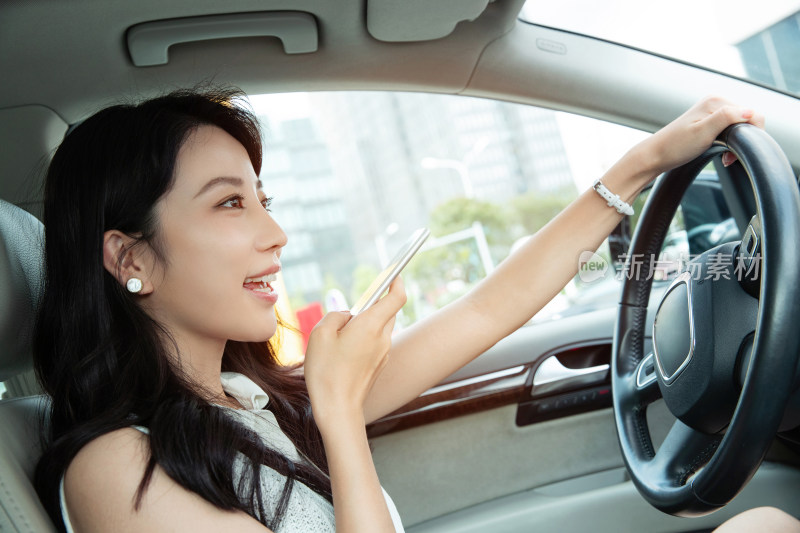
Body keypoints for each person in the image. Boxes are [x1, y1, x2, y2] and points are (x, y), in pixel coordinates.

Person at [31, 87, 788, 533]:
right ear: (130, 258)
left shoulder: (251, 402)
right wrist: (336, 409)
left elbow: (492, 307)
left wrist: (642, 163)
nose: (276, 233)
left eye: (265, 199)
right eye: (231, 203)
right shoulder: (114, 468)